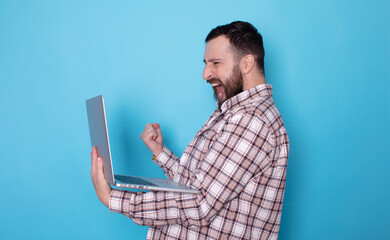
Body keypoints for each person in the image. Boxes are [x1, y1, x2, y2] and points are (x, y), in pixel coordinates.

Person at [91, 21, 289, 240]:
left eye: (216, 63)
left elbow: (200, 204)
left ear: (247, 63)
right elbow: (197, 186)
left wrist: (114, 199)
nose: (206, 74)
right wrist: (161, 153)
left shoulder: (252, 121)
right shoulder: (234, 112)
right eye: (206, 63)